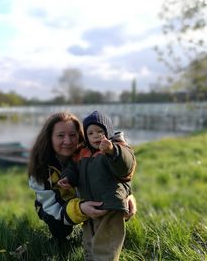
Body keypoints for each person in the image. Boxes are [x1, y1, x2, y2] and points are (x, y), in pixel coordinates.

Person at [28, 112, 137, 247]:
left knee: (115, 205)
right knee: (59, 227)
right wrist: (80, 209)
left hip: (90, 196)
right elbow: (51, 207)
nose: (67, 141)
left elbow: (117, 171)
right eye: (60, 135)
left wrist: (128, 194)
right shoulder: (41, 169)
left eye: (72, 135)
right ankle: (60, 238)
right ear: (49, 138)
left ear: (81, 135)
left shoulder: (90, 151)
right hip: (56, 207)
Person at [58, 110, 136, 260]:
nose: (96, 136)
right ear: (86, 136)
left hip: (111, 205)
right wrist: (67, 178)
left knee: (106, 246)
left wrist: (113, 151)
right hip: (89, 206)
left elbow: (126, 167)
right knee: (89, 243)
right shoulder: (81, 153)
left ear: (108, 132)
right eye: (91, 133)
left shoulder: (117, 148)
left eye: (100, 131)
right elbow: (73, 170)